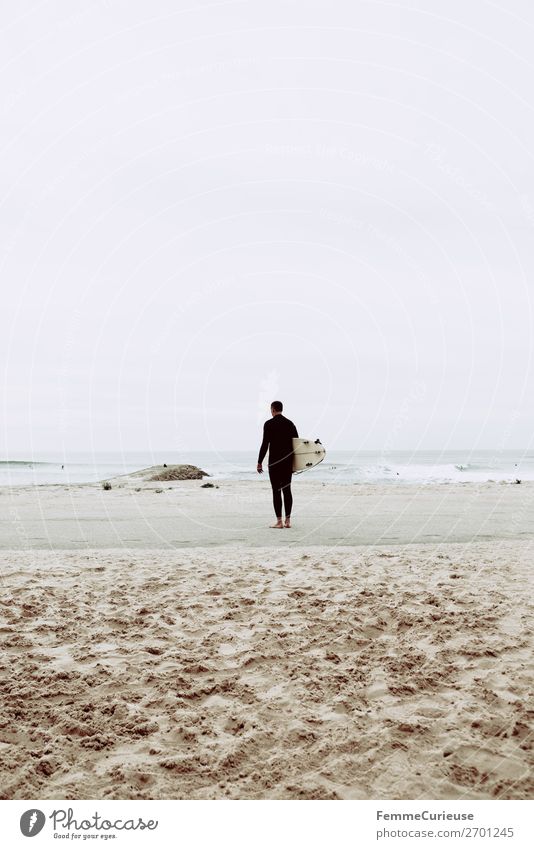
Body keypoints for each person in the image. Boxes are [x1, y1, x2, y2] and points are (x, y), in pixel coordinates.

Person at [257, 401, 298, 528]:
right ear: (281, 409)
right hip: (287, 463)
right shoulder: (290, 424)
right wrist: (295, 464)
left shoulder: (269, 424)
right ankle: (288, 521)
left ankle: (279, 522)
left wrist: (259, 462)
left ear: (273, 409)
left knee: (276, 491)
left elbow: (265, 444)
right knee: (287, 490)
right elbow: (297, 445)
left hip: (274, 463)